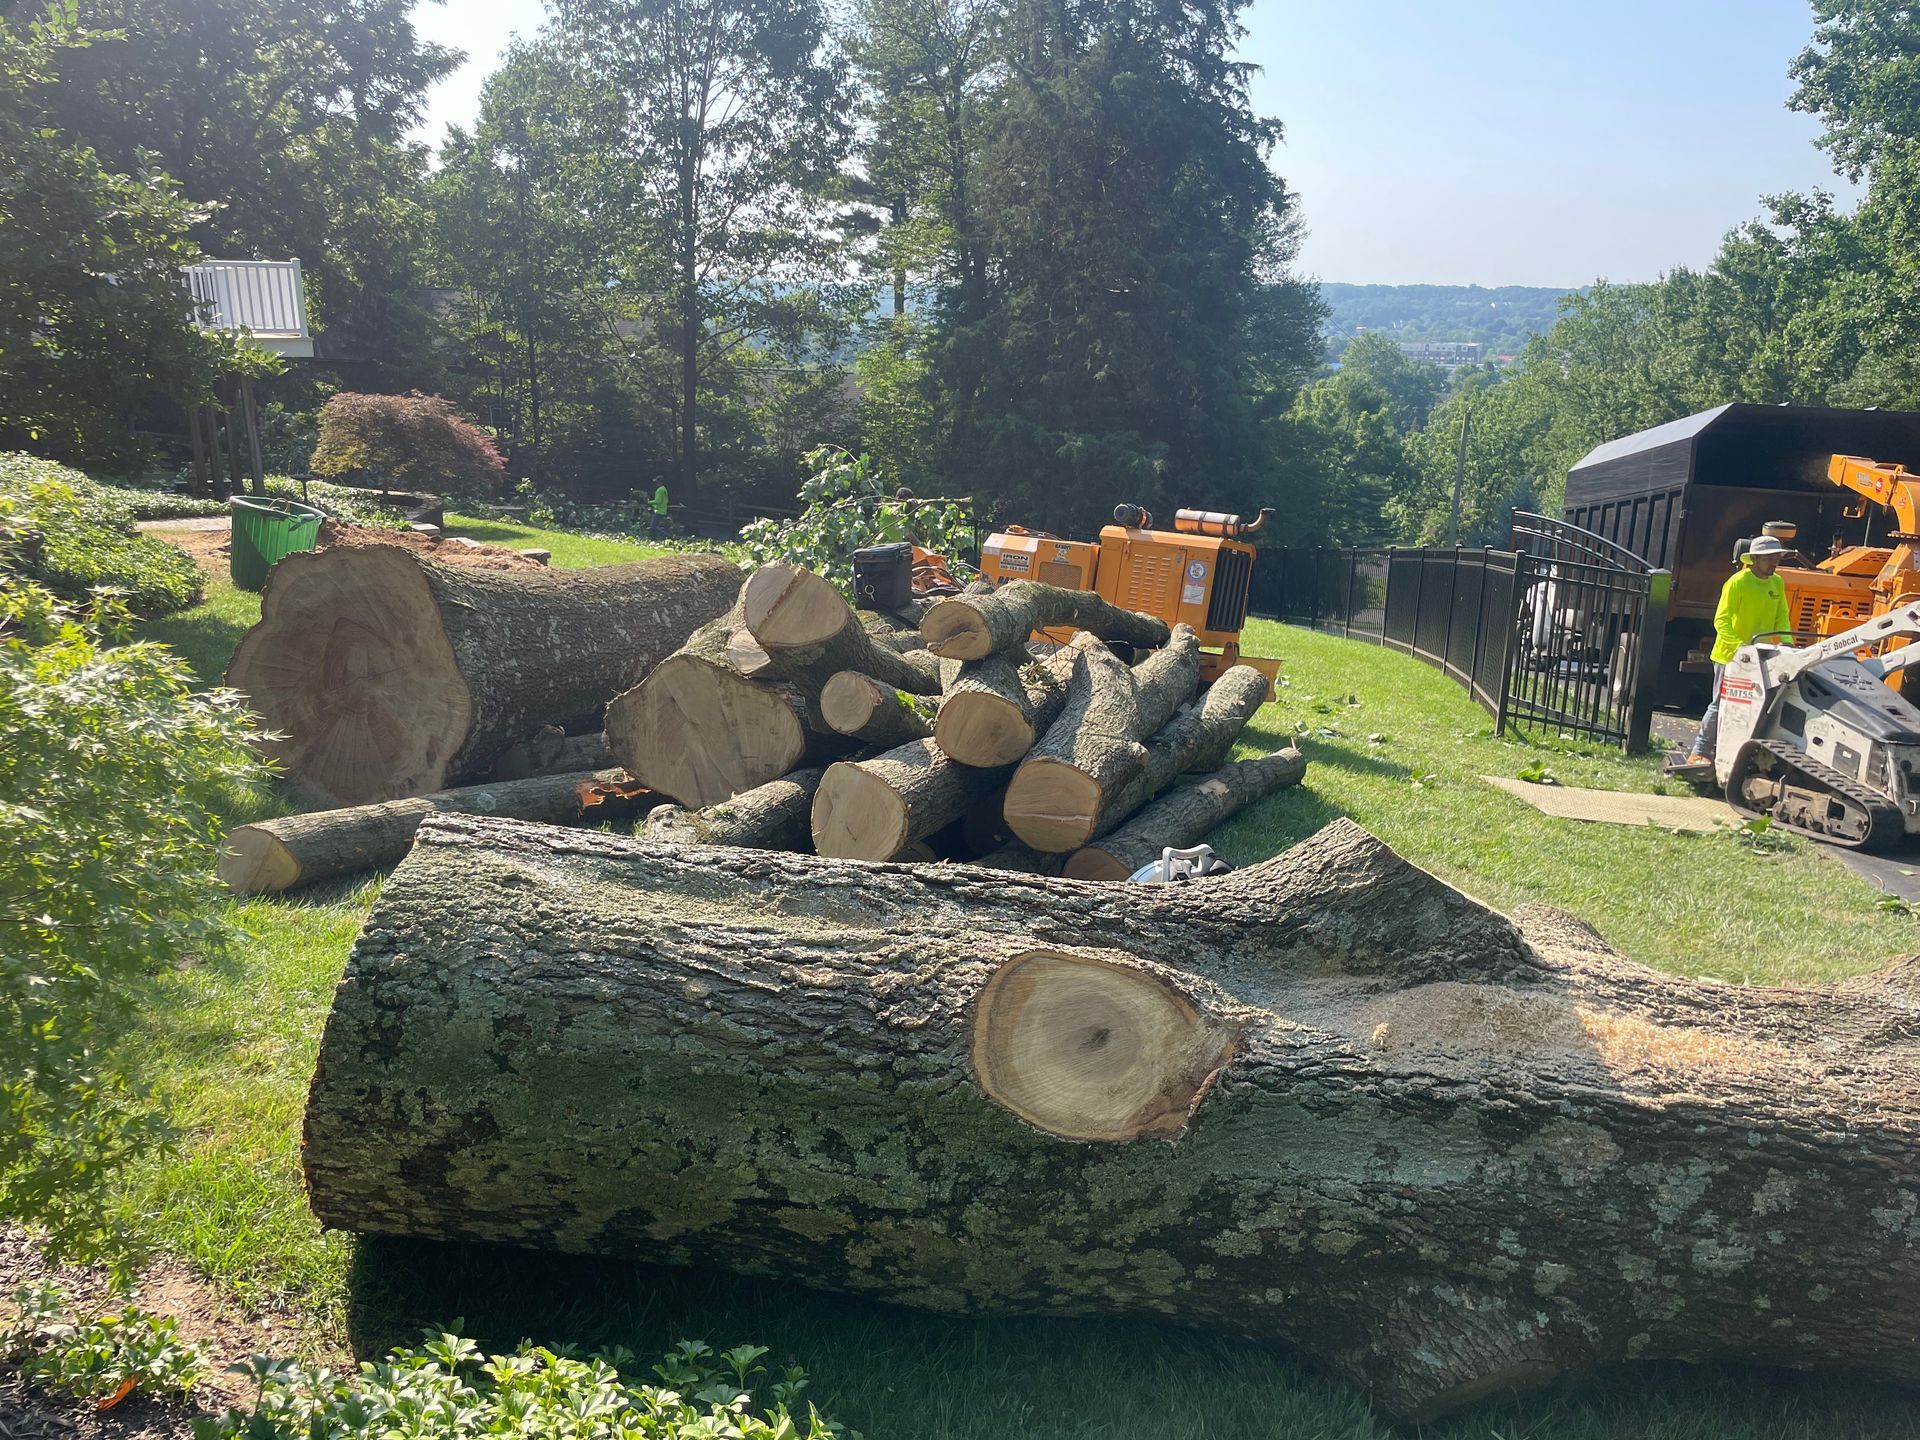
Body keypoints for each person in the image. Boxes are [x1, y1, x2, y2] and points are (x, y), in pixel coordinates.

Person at [1685, 534, 1794, 765]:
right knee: (1721, 703)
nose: (1774, 562)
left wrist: (1786, 642)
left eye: (1777, 558)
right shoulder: (1737, 582)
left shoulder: (1777, 583)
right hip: (1731, 656)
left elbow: (1781, 618)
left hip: (1762, 656)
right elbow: (1721, 620)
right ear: (1754, 559)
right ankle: (1700, 751)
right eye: (1769, 558)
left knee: (1758, 706)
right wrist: (1740, 648)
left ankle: (1739, 754)